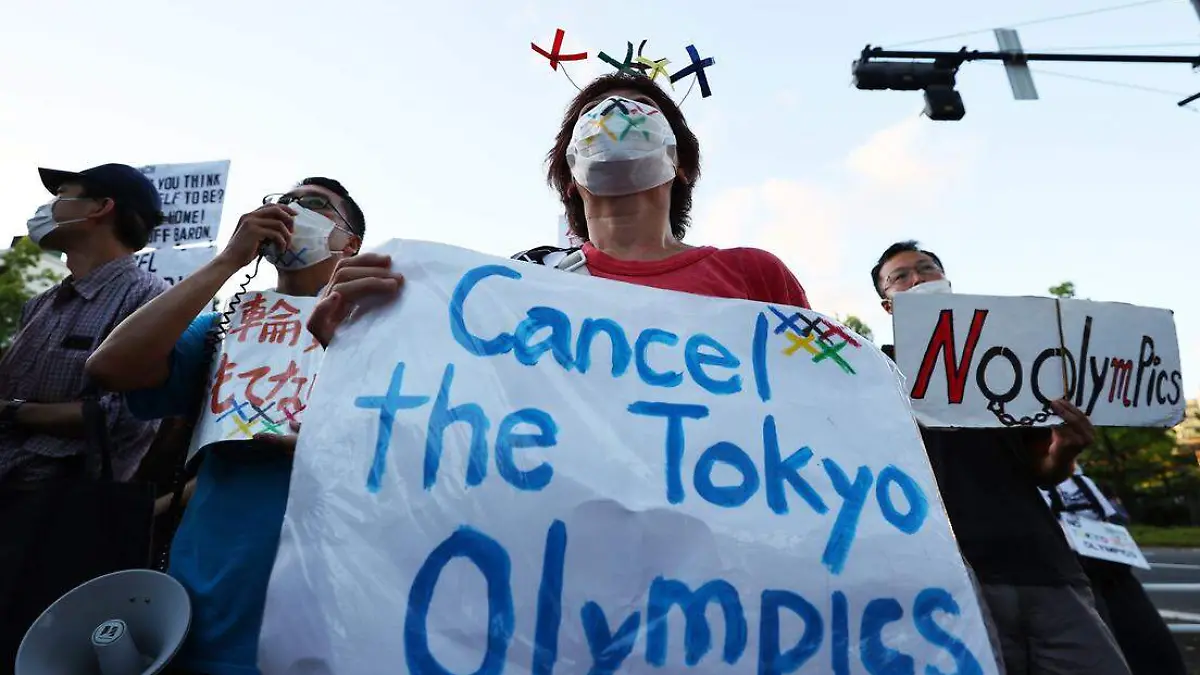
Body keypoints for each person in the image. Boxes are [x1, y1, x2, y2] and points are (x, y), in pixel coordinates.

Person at [307, 72, 808, 350]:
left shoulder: (755, 276)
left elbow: (827, 401)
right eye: (597, 113)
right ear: (570, 172)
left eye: (638, 108)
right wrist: (361, 348)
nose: (616, 116)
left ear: (681, 163)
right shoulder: (512, 288)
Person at [87, 177, 365, 675]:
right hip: (213, 579)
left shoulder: (380, 326)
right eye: (283, 201)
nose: (291, 209)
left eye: (315, 205)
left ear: (350, 243)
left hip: (329, 582)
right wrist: (227, 262)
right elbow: (110, 366)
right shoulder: (223, 325)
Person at [873, 240, 1130, 675]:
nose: (917, 279)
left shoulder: (1009, 364)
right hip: (948, 579)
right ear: (887, 305)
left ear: (948, 283)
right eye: (900, 277)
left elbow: (1042, 471)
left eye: (927, 269)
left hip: (1045, 569)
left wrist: (1064, 449)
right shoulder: (875, 375)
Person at [0, 163, 170, 667]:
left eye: (64, 194)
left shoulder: (147, 298)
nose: (49, 208)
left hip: (62, 515)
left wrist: (15, 413)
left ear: (101, 209)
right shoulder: (42, 304)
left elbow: (124, 418)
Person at [1043, 463, 1187, 675]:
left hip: (1117, 575)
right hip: (1074, 579)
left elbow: (1112, 517)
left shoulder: (1083, 482)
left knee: (1149, 645)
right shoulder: (1028, 482)